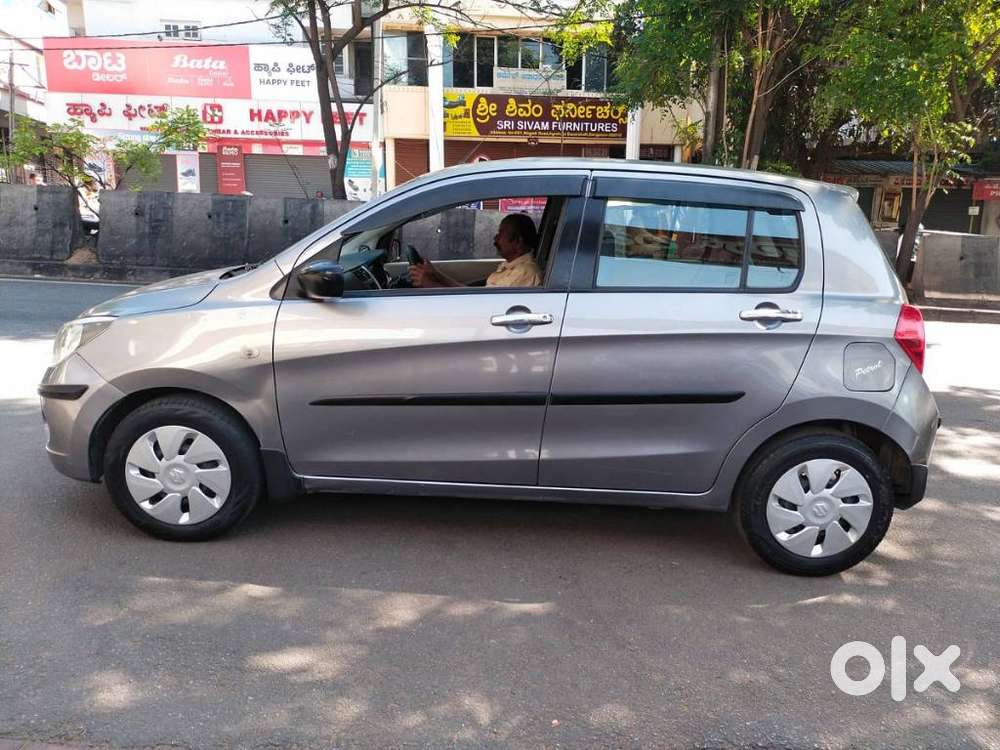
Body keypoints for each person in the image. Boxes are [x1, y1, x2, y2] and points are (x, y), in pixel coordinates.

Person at [409, 213, 543, 288]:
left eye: (501, 233)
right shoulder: (510, 267)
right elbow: (471, 294)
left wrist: (428, 284)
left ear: (517, 241)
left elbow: (481, 305)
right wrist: (436, 274)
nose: (495, 238)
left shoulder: (524, 273)